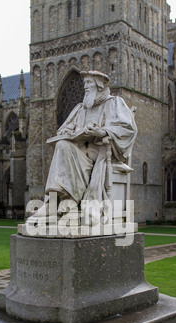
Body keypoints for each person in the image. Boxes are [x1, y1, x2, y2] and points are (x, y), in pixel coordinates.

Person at [33, 70, 137, 225]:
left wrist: (102, 132)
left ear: (99, 86)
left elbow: (128, 129)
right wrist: (68, 133)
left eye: (89, 83)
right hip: (80, 151)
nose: (85, 87)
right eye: (85, 84)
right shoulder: (81, 108)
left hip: (101, 151)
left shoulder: (114, 103)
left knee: (72, 153)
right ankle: (55, 202)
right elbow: (65, 128)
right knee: (62, 145)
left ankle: (70, 203)